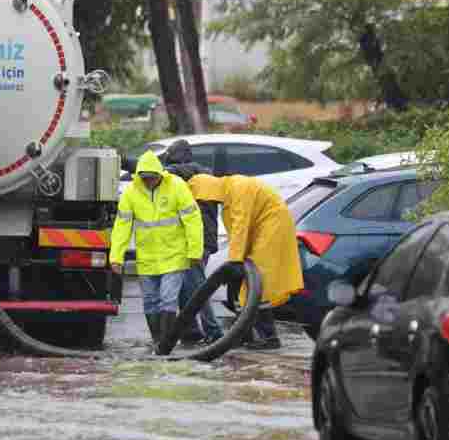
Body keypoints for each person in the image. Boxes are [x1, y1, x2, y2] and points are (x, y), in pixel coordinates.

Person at [187, 173, 305, 350]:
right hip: (262, 228)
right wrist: (235, 261)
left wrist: (235, 261)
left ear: (208, 190)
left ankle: (269, 337)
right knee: (244, 282)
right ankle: (244, 335)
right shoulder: (228, 198)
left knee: (258, 280)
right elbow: (236, 231)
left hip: (273, 226)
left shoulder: (238, 188)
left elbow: (241, 225)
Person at [109, 150, 204, 347]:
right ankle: (158, 342)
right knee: (150, 303)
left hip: (174, 255)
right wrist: (116, 257)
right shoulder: (131, 192)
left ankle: (166, 345)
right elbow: (122, 226)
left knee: (168, 300)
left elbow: (193, 220)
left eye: (151, 178)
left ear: (160, 175)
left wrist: (195, 251)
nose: (148, 182)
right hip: (147, 258)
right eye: (144, 178)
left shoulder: (177, 186)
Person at [159, 140, 225, 345]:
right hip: (195, 240)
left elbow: (174, 170)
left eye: (170, 156)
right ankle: (190, 330)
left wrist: (158, 168)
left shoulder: (196, 173)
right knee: (184, 287)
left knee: (197, 288)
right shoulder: (196, 177)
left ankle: (213, 331)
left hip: (198, 242)